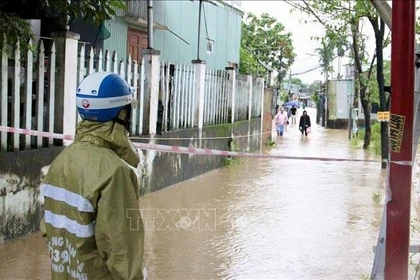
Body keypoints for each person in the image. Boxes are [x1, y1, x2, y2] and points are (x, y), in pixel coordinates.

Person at [40, 72, 147, 280]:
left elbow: (48, 230)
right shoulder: (114, 172)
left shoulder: (59, 163)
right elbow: (123, 256)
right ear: (122, 115)